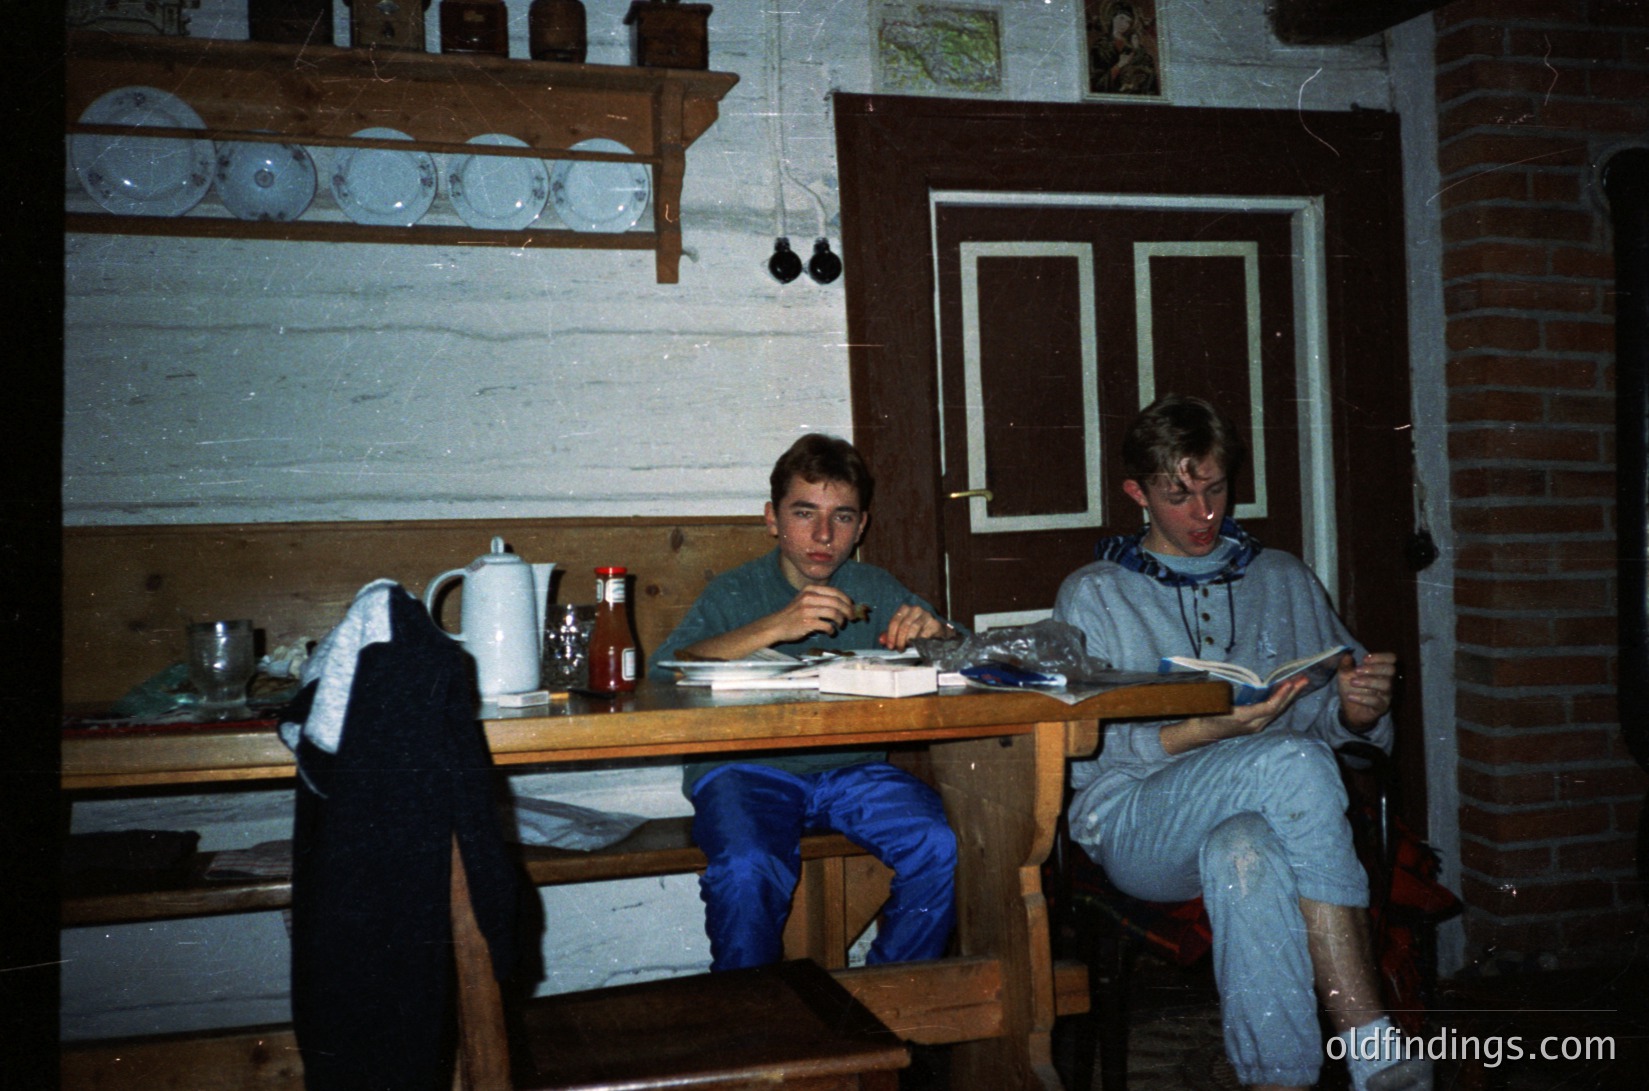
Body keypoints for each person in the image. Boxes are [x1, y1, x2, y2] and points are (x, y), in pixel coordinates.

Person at [1052, 395, 1428, 1091]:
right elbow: (1089, 754)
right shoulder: (1095, 592)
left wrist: (1353, 711)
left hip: (1265, 805)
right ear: (1136, 492)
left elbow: (1339, 733)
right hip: (1137, 820)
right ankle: (1368, 1032)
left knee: (1245, 849)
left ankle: (1275, 1079)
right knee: (1288, 760)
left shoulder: (1280, 576)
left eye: (1215, 488)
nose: (1203, 514)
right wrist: (1214, 728)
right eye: (1177, 495)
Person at [649, 433, 961, 972]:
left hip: (852, 768)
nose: (823, 535)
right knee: (747, 868)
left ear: (862, 526)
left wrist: (940, 633)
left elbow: (968, 658)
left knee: (936, 843)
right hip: (743, 769)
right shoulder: (734, 591)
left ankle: (887, 1005)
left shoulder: (874, 586)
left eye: (842, 517)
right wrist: (776, 625)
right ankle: (756, 1020)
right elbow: (664, 677)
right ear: (772, 519)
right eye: (804, 513)